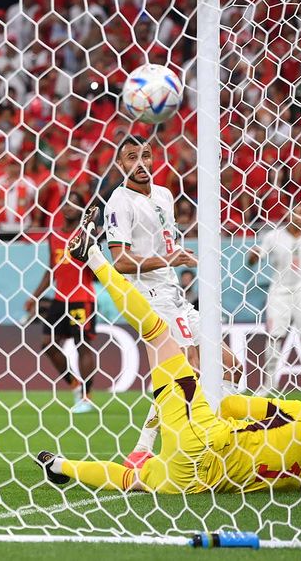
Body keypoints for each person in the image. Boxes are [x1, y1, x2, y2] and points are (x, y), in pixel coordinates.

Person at [37, 206, 301, 494]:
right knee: (130, 480)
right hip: (194, 483)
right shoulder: (300, 476)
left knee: (156, 332)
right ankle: (61, 467)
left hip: (202, 437)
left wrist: (201, 394)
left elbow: (230, 405)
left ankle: (92, 255)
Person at [104, 135, 240, 469]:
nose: (140, 163)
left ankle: (220, 431)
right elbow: (120, 261)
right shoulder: (118, 203)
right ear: (120, 165)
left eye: (146, 156)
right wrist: (169, 260)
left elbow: (166, 245)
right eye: (131, 157)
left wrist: (175, 259)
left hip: (175, 296)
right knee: (187, 370)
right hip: (150, 298)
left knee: (230, 365)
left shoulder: (164, 194)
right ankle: (146, 449)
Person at [24, 200, 99, 413]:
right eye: (65, 203)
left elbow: (95, 268)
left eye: (74, 203)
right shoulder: (54, 237)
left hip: (81, 298)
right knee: (47, 344)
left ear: (81, 209)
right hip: (60, 298)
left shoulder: (86, 236)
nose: (69, 207)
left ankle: (87, 396)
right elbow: (52, 269)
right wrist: (35, 296)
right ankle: (75, 385)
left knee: (82, 345)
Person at [246, 203, 301, 397]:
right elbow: (254, 259)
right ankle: (267, 384)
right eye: (294, 213)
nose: (298, 217)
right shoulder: (272, 236)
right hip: (279, 290)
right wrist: (252, 256)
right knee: (274, 336)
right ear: (286, 215)